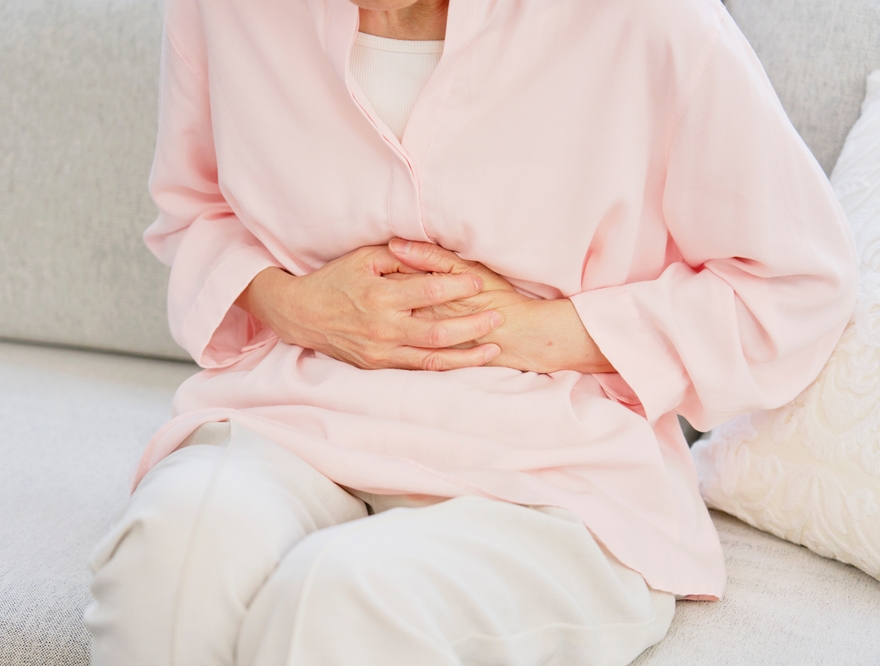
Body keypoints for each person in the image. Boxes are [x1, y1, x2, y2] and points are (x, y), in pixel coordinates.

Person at [84, 0, 858, 663]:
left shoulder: (647, 21)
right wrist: (300, 305)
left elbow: (797, 284)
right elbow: (193, 211)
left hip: (554, 466)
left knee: (347, 599)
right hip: (293, 413)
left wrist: (531, 330)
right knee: (172, 562)